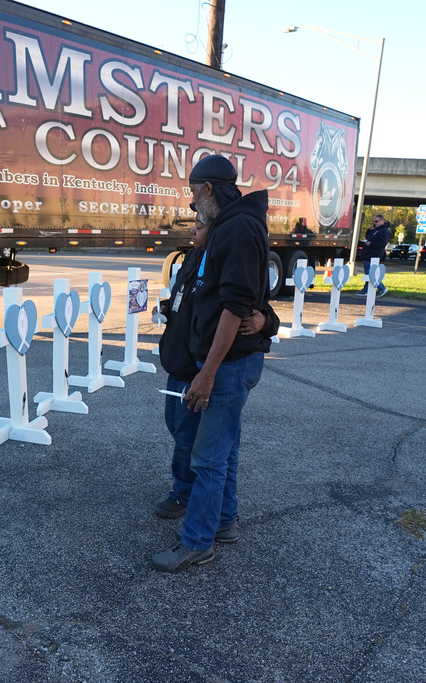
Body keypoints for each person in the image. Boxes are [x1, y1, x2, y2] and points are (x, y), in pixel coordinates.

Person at [151, 154, 270, 573]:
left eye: (192, 192)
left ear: (207, 189)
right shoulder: (229, 227)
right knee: (225, 450)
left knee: (208, 457)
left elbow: (235, 308)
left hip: (227, 365)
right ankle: (223, 523)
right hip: (227, 362)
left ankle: (197, 542)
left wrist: (207, 372)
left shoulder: (236, 228)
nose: (191, 202)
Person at [154, 217, 266, 522]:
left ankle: (186, 497)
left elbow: (249, 308)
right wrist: (166, 307)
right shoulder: (191, 258)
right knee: (179, 431)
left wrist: (267, 321)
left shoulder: (225, 261)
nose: (192, 229)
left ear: (214, 230)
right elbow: (184, 301)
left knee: (200, 446)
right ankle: (219, 515)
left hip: (198, 370)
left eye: (200, 225)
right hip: (177, 364)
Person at [354, 214, 390, 297]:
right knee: (369, 273)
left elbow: (382, 242)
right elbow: (369, 237)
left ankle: (381, 288)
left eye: (376, 221)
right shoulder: (376, 230)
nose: (375, 223)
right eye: (374, 222)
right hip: (368, 255)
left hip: (373, 255)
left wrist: (371, 244)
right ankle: (367, 289)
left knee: (371, 274)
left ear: (381, 221)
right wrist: (370, 230)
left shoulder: (384, 231)